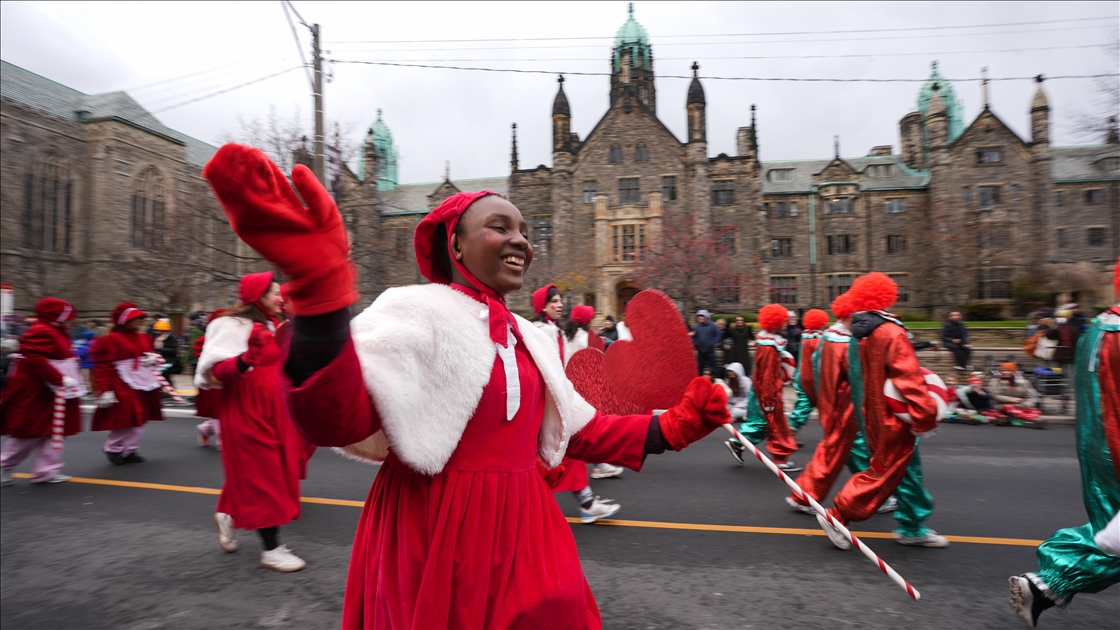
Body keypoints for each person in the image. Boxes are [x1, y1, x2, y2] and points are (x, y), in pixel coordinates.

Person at [203, 145, 732, 628]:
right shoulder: (412, 309)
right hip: (432, 529)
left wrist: (675, 427)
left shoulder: (530, 336)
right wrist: (320, 293)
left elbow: (580, 430)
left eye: (523, 230)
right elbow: (335, 418)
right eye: (499, 227)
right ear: (454, 242)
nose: (520, 240)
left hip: (527, 527)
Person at [1009, 262, 1120, 628]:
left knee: (1110, 529)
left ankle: (1046, 585)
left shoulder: (1099, 326)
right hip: (1113, 443)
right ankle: (1049, 580)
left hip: (1098, 445)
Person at [815, 273, 947, 549]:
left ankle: (911, 526)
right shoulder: (891, 332)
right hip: (894, 418)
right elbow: (909, 379)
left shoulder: (858, 334)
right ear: (887, 296)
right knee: (888, 472)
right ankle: (839, 515)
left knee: (902, 472)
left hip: (871, 415)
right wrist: (924, 418)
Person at [196, 272, 305, 572]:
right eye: (274, 293)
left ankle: (229, 516)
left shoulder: (273, 324)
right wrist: (246, 358)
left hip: (276, 409)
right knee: (264, 477)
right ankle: (271, 550)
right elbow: (216, 373)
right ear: (259, 296)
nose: (280, 298)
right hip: (246, 411)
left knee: (269, 472)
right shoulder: (229, 325)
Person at [533, 284, 622, 519]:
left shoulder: (556, 330)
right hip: (550, 401)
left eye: (560, 300)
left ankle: (586, 502)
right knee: (562, 452)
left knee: (568, 452)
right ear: (542, 305)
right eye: (554, 301)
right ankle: (586, 501)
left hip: (561, 396)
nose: (560, 304)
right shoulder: (543, 331)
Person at [0, 298, 84, 485]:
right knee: (30, 433)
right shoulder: (41, 330)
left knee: (56, 431)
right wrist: (59, 379)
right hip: (38, 390)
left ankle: (46, 471)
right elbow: (34, 359)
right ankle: (3, 465)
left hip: (57, 390)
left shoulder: (59, 330)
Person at [725, 303, 800, 472]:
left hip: (762, 390)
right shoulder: (769, 346)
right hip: (768, 392)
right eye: (784, 321)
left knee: (761, 423)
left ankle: (738, 443)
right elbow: (768, 375)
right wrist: (769, 400)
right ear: (776, 322)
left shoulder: (768, 342)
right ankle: (780, 459)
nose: (787, 323)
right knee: (776, 425)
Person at [90, 303, 164, 464]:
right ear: (124, 320)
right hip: (121, 383)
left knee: (141, 417)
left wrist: (153, 358)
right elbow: (103, 366)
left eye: (141, 318)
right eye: (136, 318)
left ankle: (129, 449)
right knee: (127, 417)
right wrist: (105, 389)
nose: (140, 320)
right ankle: (113, 448)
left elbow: (152, 354)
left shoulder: (144, 337)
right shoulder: (110, 340)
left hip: (143, 382)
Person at [563, 305, 623, 480]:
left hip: (569, 385)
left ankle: (599, 464)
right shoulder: (584, 338)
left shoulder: (567, 335)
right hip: (583, 389)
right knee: (590, 427)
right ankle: (599, 466)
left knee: (582, 428)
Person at [786, 309, 828, 435]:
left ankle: (788, 434)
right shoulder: (819, 339)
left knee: (802, 406)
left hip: (802, 375)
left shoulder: (805, 337)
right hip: (815, 377)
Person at [194, 309, 225, 450]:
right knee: (218, 411)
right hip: (213, 381)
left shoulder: (234, 339)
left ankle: (205, 429)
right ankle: (223, 442)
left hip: (229, 379)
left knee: (226, 410)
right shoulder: (204, 341)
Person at [989, 363, 1044, 427]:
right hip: (1001, 405)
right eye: (1003, 370)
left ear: (1014, 371)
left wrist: (1026, 405)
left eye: (1008, 370)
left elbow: (1031, 396)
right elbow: (994, 395)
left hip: (1019, 405)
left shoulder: (1025, 382)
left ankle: (1029, 421)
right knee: (1009, 407)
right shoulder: (995, 381)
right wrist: (1010, 399)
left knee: (1035, 410)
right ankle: (1031, 419)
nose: (1005, 372)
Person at [692, 309, 722, 376]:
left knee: (712, 367)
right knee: (700, 367)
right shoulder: (696, 326)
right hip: (700, 351)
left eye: (701, 316)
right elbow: (694, 336)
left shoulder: (713, 325)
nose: (700, 318)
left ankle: (714, 379)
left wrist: (712, 343)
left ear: (706, 317)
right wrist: (696, 343)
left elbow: (718, 335)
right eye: (699, 316)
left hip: (710, 351)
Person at [150, 318, 182, 383]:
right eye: (157, 330)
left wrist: (158, 349)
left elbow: (173, 350)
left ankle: (169, 388)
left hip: (169, 361)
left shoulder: (172, 338)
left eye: (160, 331)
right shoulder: (157, 338)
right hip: (159, 361)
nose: (158, 332)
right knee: (161, 377)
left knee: (165, 377)